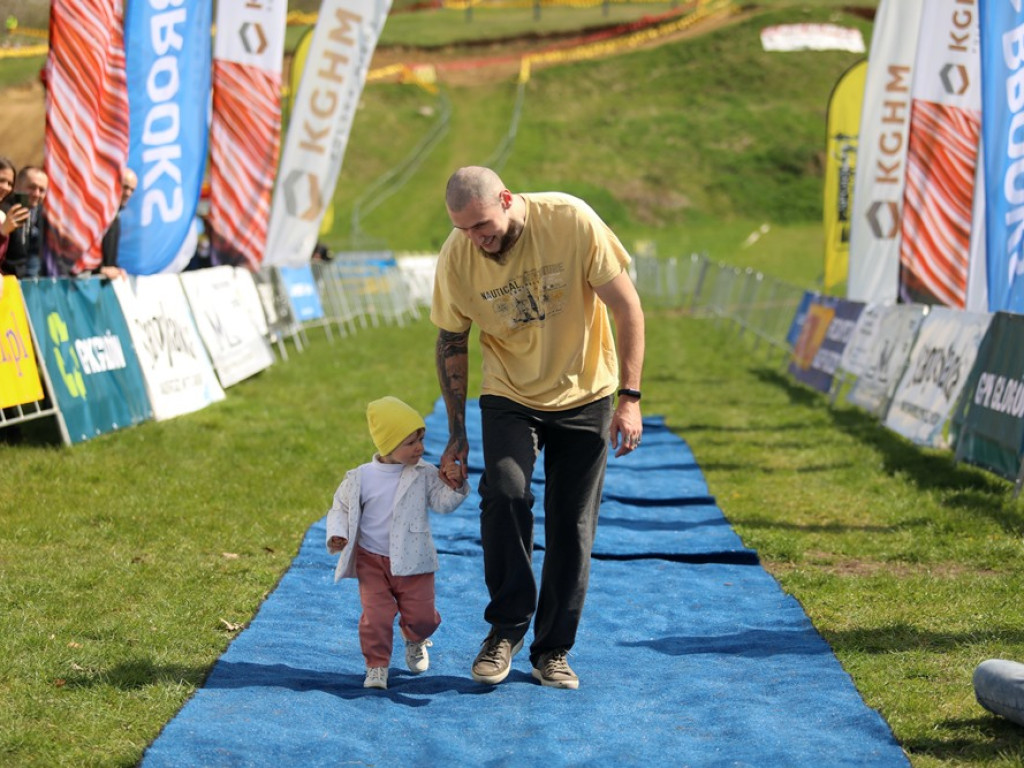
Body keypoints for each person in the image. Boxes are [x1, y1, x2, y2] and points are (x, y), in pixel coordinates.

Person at [431, 166, 646, 690]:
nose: (476, 239)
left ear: (506, 199)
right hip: (509, 392)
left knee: (572, 523)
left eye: (482, 225)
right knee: (504, 492)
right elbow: (450, 343)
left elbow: (627, 308)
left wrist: (631, 398)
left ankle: (553, 650)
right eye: (464, 229)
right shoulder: (458, 257)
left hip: (586, 390)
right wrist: (457, 433)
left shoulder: (571, 221)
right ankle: (504, 632)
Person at [325, 396, 470, 691]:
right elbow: (340, 508)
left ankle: (415, 637)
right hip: (371, 560)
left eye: (421, 438)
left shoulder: (425, 473)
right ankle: (376, 666)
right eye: (410, 442)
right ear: (387, 445)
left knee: (423, 617)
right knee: (375, 616)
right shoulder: (360, 477)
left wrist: (455, 484)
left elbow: (442, 504)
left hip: (414, 559)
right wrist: (338, 533)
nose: (419, 447)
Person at [0, 165, 47, 279]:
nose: (36, 194)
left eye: (42, 190)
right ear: (16, 187)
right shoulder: (5, 211)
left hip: (24, 283)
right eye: (32, 187)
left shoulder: (36, 212)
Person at [95, 167, 137, 280]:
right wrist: (100, 270)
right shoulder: (97, 214)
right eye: (125, 187)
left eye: (132, 190)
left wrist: (117, 269)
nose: (128, 193)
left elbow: (109, 261)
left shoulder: (115, 217)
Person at [0, 156, 30, 268]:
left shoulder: (3, 215)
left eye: (10, 184)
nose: (6, 187)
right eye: (1, 180)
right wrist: (2, 232)